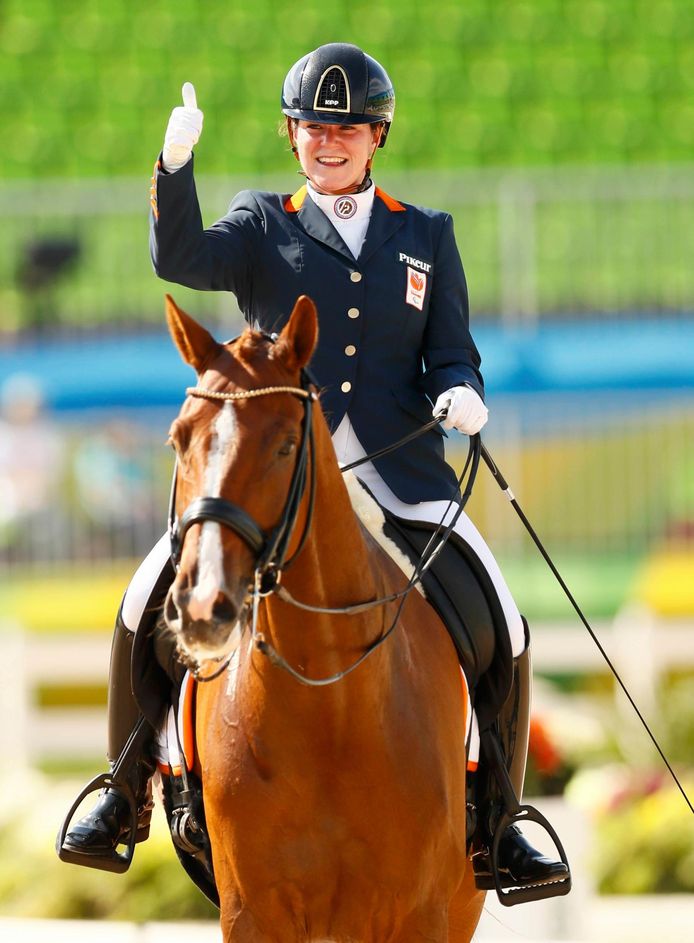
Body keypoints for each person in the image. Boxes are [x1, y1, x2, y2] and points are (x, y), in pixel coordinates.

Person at [62, 43, 567, 891]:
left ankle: (501, 818)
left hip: (398, 478)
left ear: (377, 137)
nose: (329, 141)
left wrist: (461, 393)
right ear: (291, 136)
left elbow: (452, 352)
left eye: (348, 127)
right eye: (312, 127)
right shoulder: (262, 224)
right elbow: (180, 260)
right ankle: (123, 786)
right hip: (277, 481)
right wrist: (174, 165)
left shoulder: (426, 236)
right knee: (143, 594)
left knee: (506, 623)